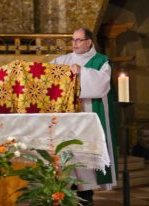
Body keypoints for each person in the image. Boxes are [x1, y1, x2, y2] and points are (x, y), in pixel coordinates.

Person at [51, 28, 117, 205]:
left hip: (89, 115)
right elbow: (47, 78)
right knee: (67, 154)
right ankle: (65, 194)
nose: (74, 43)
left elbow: (102, 85)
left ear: (89, 42)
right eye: (73, 40)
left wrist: (82, 72)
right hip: (67, 118)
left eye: (79, 40)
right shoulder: (61, 60)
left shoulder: (101, 61)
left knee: (84, 156)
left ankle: (86, 196)